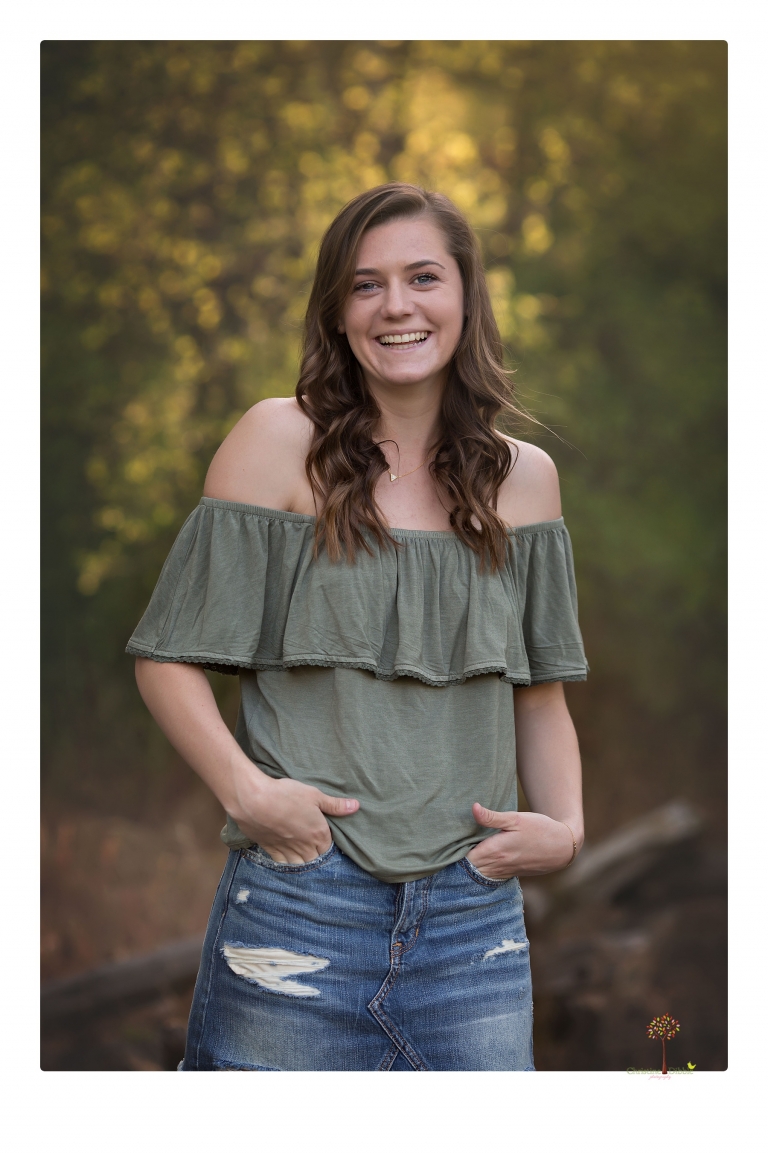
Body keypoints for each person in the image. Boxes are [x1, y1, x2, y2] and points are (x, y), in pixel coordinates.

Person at [128, 182, 588, 1072]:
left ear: (464, 298)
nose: (397, 307)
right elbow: (166, 661)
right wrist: (248, 794)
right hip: (300, 906)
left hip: (475, 920)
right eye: (366, 285)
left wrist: (566, 827)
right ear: (338, 313)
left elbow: (540, 701)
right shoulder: (275, 442)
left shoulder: (524, 480)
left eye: (423, 277)